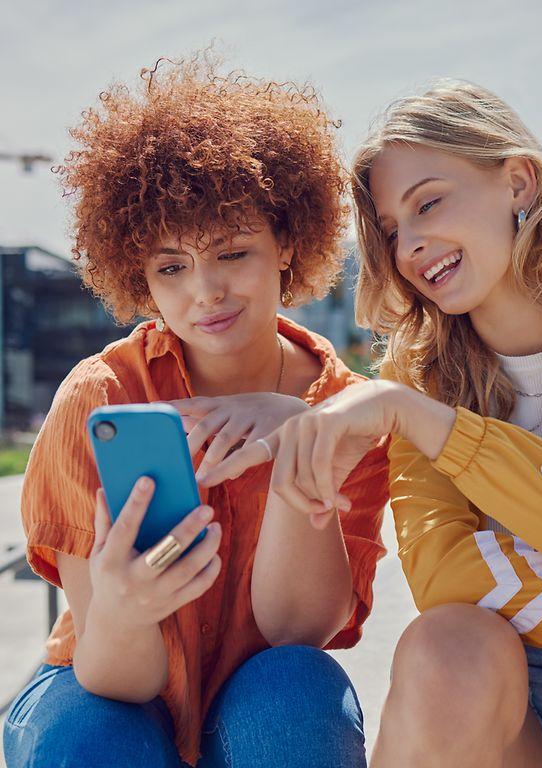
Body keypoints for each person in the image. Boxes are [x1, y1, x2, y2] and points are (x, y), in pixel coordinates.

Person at [188, 81, 542, 768]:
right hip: (496, 712)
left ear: (518, 182)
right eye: (393, 230)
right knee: (445, 647)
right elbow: (449, 581)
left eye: (428, 202)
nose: (412, 247)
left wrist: (436, 429)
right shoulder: (415, 376)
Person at [3, 56, 389, 768]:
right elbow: (117, 677)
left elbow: (295, 634)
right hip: (104, 685)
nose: (204, 291)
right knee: (90, 737)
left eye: (232, 252)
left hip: (264, 690)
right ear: (139, 278)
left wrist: (296, 447)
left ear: (288, 246)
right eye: (171, 267)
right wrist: (124, 606)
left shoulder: (347, 411)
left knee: (299, 693)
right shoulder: (100, 397)